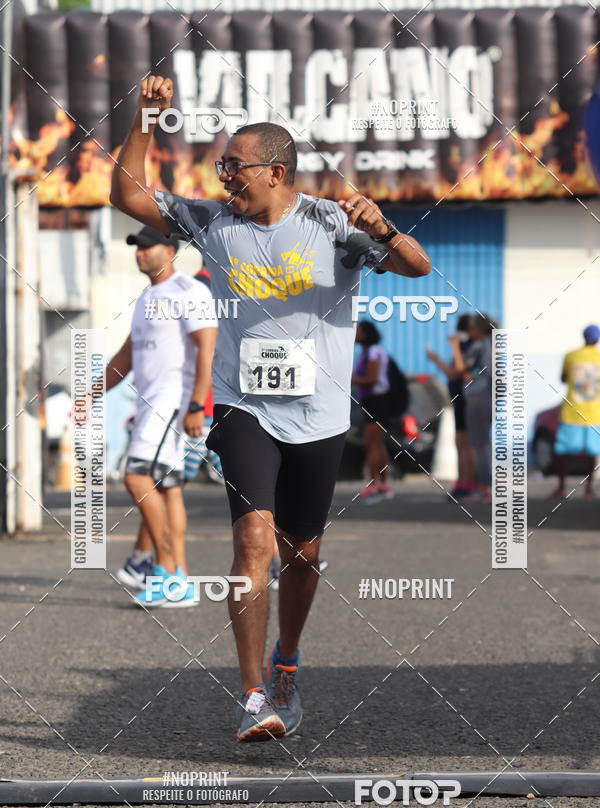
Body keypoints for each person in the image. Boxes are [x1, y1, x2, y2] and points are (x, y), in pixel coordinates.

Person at [110, 74, 430, 742]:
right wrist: (145, 118)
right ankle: (253, 694)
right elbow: (126, 193)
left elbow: (417, 267)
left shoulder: (330, 224)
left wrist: (383, 226)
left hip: (317, 415)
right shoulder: (213, 222)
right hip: (240, 405)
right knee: (253, 538)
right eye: (221, 164)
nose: (223, 175)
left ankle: (288, 660)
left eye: (235, 165)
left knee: (302, 555)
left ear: (276, 171)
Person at [105, 226, 217, 607]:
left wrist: (196, 404)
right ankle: (177, 582)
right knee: (167, 489)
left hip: (173, 404)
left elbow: (207, 348)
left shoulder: (189, 291)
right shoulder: (147, 297)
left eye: (147, 247)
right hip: (151, 404)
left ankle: (165, 570)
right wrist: (90, 391)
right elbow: (127, 355)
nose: (140, 253)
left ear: (169, 250)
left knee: (137, 478)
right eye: (136, 247)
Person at [427, 314, 476, 498]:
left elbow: (458, 372)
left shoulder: (470, 348)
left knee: (466, 443)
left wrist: (454, 348)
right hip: (459, 398)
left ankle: (469, 483)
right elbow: (452, 373)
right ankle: (463, 481)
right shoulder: (463, 347)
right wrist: (436, 359)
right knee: (460, 442)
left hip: (467, 399)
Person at [552, 324, 600, 498]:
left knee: (562, 451)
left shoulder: (571, 356)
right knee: (592, 453)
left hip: (572, 412)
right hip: (595, 413)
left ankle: (561, 488)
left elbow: (563, 378)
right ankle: (588, 489)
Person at [450, 315, 493, 501]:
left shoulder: (479, 345)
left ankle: (483, 488)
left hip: (478, 398)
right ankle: (484, 487)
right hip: (487, 397)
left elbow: (460, 369)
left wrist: (454, 346)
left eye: (472, 328)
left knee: (478, 444)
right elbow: (481, 369)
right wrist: (472, 373)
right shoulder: (492, 345)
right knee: (482, 443)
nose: (469, 332)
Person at [351, 320, 394, 502]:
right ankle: (382, 483)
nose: (355, 334)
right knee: (377, 443)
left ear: (366, 334)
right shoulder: (365, 352)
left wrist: (348, 378)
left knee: (372, 442)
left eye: (358, 331)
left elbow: (371, 378)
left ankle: (374, 482)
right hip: (370, 401)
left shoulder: (374, 352)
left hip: (377, 401)